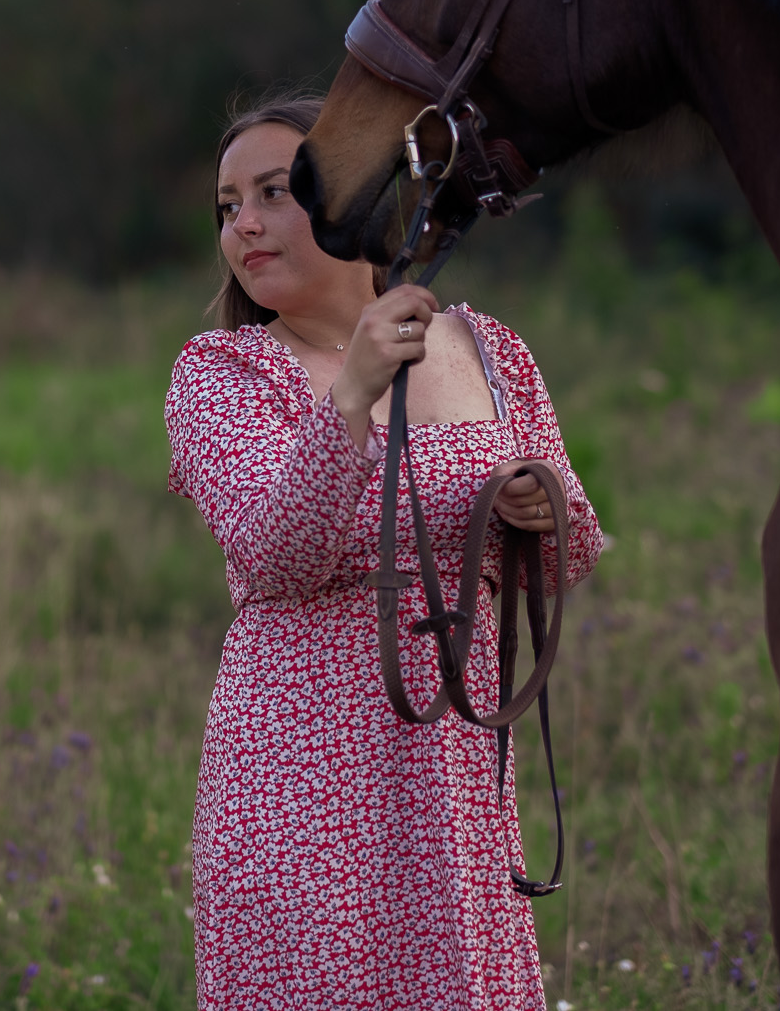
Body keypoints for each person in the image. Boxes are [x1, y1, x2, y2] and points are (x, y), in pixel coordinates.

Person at [165, 91, 606, 1011]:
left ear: (361, 195)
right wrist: (355, 391)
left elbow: (573, 553)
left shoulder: (489, 351)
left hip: (453, 781)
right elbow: (276, 554)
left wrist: (539, 507)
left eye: (275, 192)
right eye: (228, 206)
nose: (244, 225)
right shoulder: (221, 374)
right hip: (297, 784)